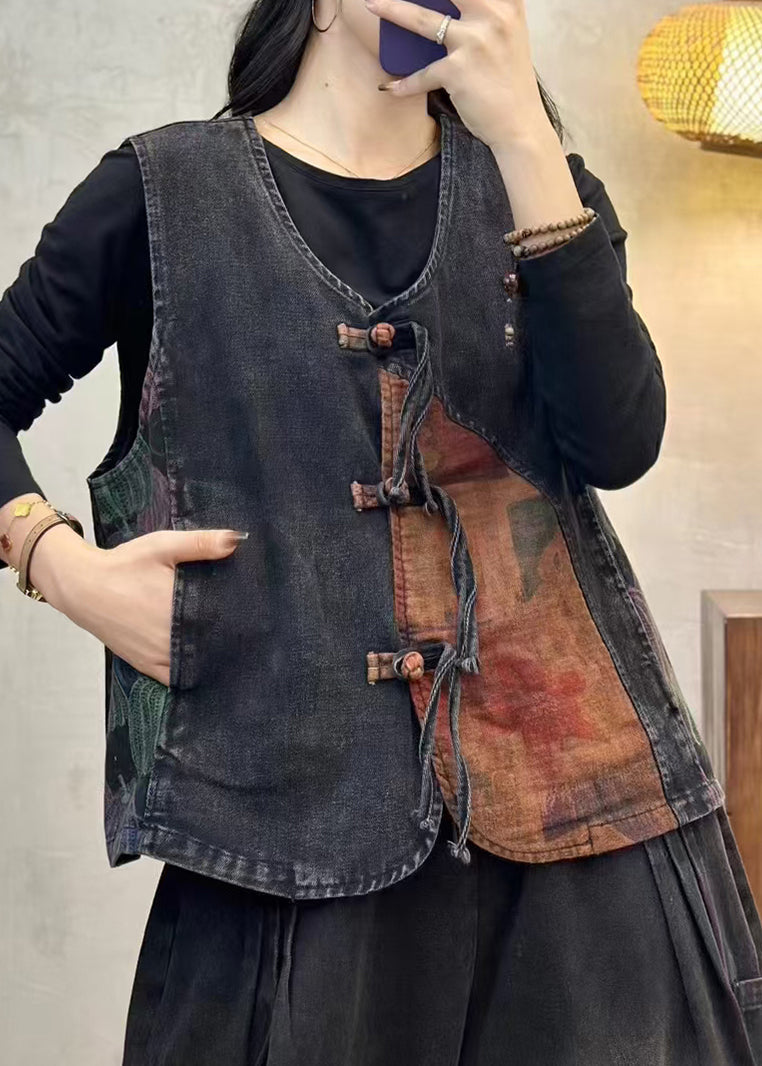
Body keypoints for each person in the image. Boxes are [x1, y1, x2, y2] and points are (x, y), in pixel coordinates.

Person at [2, 0, 762, 1062]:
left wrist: (526, 137)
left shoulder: (541, 183)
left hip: (578, 850)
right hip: (283, 839)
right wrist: (59, 563)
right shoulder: (161, 194)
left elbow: (619, 443)